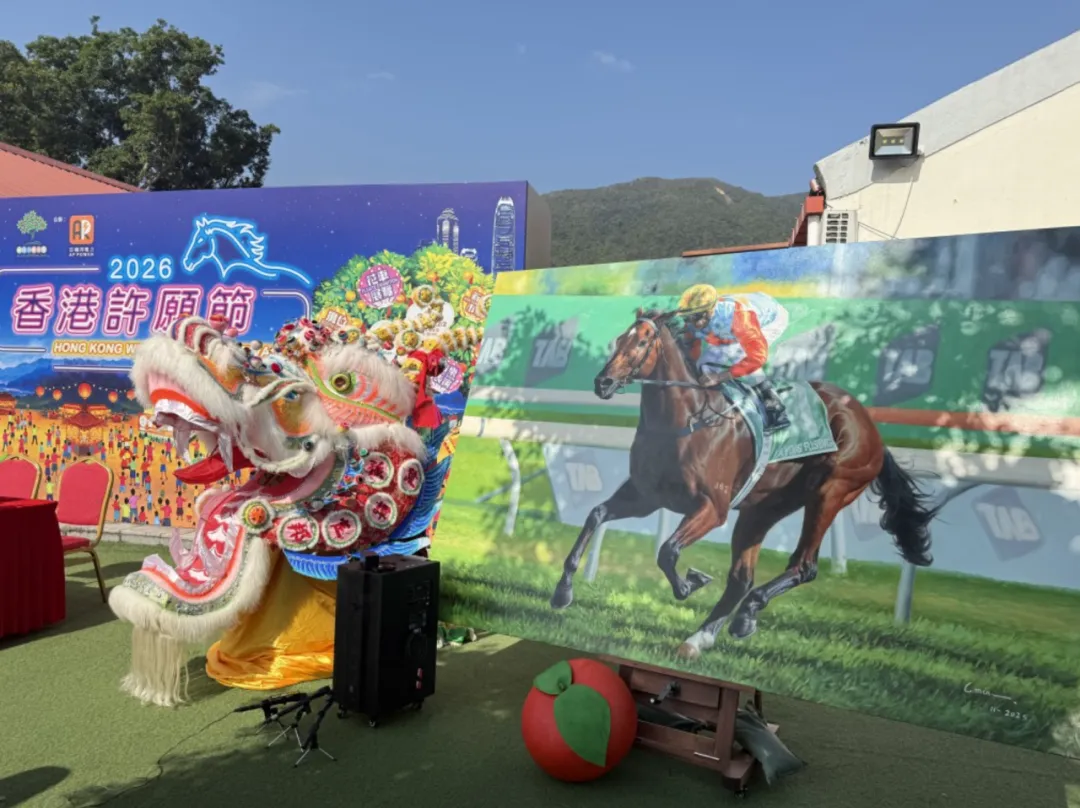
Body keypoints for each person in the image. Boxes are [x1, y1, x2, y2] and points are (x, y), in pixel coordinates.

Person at [677, 284, 791, 434]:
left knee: (739, 354)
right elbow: (693, 345)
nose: (690, 322)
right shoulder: (695, 319)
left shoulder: (740, 318)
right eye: (687, 317)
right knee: (704, 363)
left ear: (709, 312)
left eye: (694, 318)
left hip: (771, 319)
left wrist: (719, 377)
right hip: (738, 317)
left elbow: (757, 357)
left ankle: (775, 408)